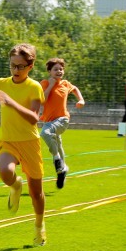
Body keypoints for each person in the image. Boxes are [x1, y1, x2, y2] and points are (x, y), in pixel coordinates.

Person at [0, 43, 48, 246]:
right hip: (8, 141)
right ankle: (16, 186)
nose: (16, 70)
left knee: (36, 193)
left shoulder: (34, 87)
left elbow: (34, 118)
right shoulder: (0, 83)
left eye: (20, 66)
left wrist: (11, 103)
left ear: (30, 66)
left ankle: (39, 227)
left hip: (30, 143)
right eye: (12, 65)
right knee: (5, 173)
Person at [40, 57, 85, 190]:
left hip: (62, 119)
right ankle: (63, 169)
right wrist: (51, 85)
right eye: (56, 69)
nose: (59, 71)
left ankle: (57, 160)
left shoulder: (65, 84)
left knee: (45, 133)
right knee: (57, 143)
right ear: (49, 71)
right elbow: (43, 99)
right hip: (48, 120)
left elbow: (75, 88)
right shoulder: (44, 83)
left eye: (61, 69)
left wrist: (81, 100)